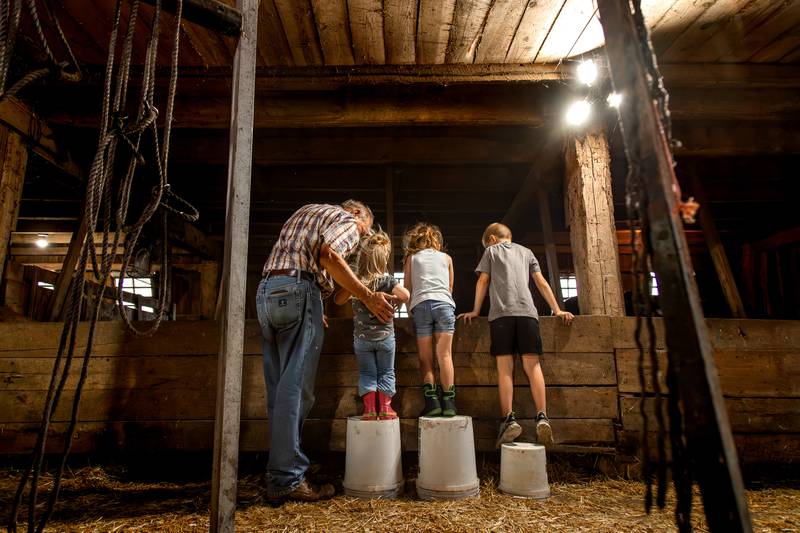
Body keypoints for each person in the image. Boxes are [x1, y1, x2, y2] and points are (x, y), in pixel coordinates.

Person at [257, 200, 394, 502]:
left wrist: (312, 302)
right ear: (359, 216)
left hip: (268, 291)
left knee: (279, 388)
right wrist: (368, 296)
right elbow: (329, 255)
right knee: (297, 389)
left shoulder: (306, 210)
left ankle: (281, 467)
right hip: (299, 290)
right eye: (365, 232)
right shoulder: (347, 221)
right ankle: (287, 478)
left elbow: (300, 255)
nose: (359, 242)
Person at [458, 222, 574, 449]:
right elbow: (541, 282)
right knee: (533, 366)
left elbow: (483, 280)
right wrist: (557, 309)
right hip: (528, 315)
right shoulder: (527, 252)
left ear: (491, 239)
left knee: (505, 369)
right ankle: (542, 416)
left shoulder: (491, 251)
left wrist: (475, 310)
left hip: (502, 316)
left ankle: (509, 419)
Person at [335, 231, 410, 420]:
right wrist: (395, 300)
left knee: (367, 373)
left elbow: (338, 300)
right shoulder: (387, 280)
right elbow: (406, 296)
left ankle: (369, 410)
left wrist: (352, 281)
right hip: (385, 338)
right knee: (386, 372)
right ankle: (385, 409)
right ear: (382, 259)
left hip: (362, 340)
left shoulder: (356, 283)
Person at [402, 222, 457, 417]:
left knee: (425, 358)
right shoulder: (447, 258)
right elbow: (449, 287)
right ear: (437, 242)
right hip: (444, 305)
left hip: (421, 306)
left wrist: (410, 313)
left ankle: (432, 402)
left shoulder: (412, 258)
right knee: (445, 356)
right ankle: (449, 403)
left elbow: (407, 288)